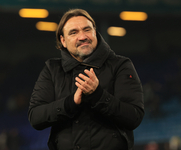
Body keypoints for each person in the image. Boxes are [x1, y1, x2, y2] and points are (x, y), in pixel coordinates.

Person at [28, 8, 144, 150]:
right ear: (63, 40)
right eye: (73, 32)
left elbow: (134, 117)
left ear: (95, 32)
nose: (83, 37)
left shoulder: (120, 65)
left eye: (87, 30)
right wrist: (70, 103)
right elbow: (35, 117)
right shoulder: (52, 69)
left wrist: (98, 95)